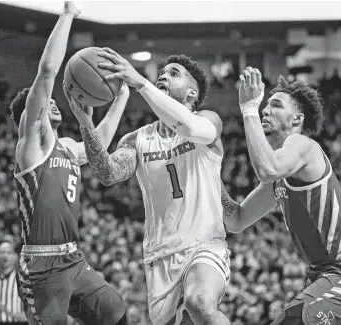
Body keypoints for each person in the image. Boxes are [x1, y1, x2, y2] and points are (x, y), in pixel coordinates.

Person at [68, 48, 231, 325]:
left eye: (174, 74)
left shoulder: (207, 121)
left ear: (192, 93)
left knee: (200, 303)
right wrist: (86, 124)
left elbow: (190, 128)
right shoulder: (137, 139)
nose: (163, 77)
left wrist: (140, 83)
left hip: (205, 245)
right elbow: (107, 173)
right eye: (162, 74)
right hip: (160, 257)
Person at [220, 68, 341, 325]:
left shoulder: (303, 145)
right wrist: (210, 172)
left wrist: (248, 108)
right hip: (320, 275)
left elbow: (267, 169)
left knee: (291, 320)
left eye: (276, 105)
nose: (265, 110)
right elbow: (236, 220)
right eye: (264, 106)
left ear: (297, 120)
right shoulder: (279, 175)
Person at [8, 2, 129, 325]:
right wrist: (67, 15)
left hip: (73, 259)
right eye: (47, 103)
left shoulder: (68, 148)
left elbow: (98, 144)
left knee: (114, 311)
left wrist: (121, 98)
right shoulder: (32, 145)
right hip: (41, 267)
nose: (54, 104)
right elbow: (47, 73)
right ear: (31, 117)